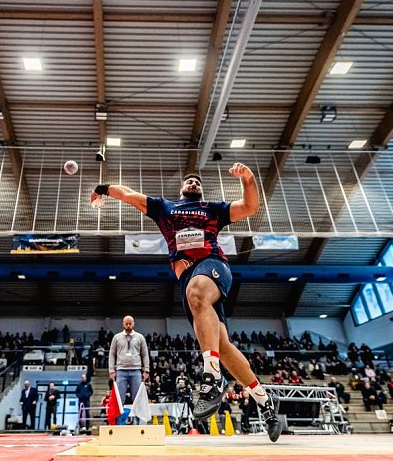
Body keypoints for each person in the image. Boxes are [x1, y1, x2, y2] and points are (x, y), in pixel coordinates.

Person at [91, 163, 282, 442]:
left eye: (197, 181)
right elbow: (130, 195)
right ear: (181, 189)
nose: (193, 182)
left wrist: (249, 179)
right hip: (190, 283)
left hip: (213, 266)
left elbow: (249, 206)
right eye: (189, 180)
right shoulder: (165, 208)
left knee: (197, 292)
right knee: (224, 347)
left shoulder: (212, 208)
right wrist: (104, 188)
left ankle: (210, 379)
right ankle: (265, 402)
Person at [108, 316, 150, 417]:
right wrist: (111, 370)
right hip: (121, 371)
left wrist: (147, 369)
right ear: (123, 324)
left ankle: (138, 422)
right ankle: (119, 423)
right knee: (119, 399)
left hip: (136, 370)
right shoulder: (117, 337)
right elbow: (112, 354)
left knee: (137, 399)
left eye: (130, 323)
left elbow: (145, 354)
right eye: (126, 324)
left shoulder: (140, 337)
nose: (128, 326)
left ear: (133, 323)